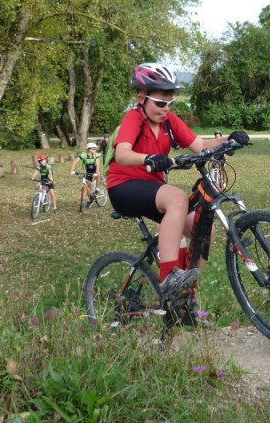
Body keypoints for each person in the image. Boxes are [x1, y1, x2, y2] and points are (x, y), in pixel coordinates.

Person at [106, 62, 249, 319]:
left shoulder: (170, 121)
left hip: (153, 189)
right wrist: (149, 158)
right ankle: (169, 280)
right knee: (178, 198)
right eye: (160, 103)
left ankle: (183, 300)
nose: (166, 109)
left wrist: (229, 139)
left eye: (170, 103)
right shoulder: (133, 118)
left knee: (204, 228)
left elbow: (200, 144)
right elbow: (122, 153)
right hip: (123, 186)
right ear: (141, 98)